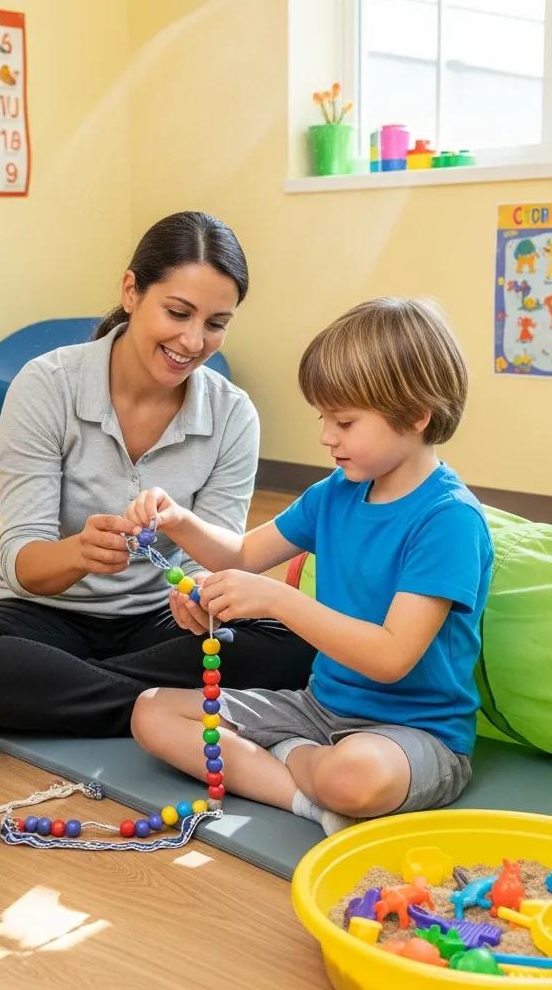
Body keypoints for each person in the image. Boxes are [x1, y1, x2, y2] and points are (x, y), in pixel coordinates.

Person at [0, 211, 316, 738]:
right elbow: (22, 560)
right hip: (42, 618)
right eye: (178, 312)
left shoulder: (233, 414)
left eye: (216, 324)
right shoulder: (47, 385)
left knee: (295, 646)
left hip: (159, 623)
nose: (193, 341)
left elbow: (212, 560)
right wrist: (79, 553)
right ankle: (153, 706)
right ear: (131, 291)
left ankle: (36, 698)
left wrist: (197, 592)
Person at [128, 297, 494, 834]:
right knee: (152, 712)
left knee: (355, 777)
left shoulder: (448, 520)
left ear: (417, 415)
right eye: (323, 417)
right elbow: (242, 555)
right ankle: (310, 801)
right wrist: (178, 521)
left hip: (415, 734)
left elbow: (391, 657)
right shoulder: (335, 493)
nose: (326, 436)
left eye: (344, 421)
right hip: (317, 710)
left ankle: (291, 757)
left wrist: (278, 599)